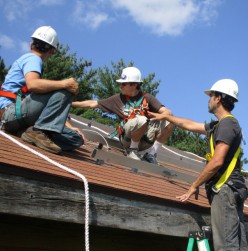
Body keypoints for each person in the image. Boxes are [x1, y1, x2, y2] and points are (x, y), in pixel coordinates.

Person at [150, 79, 248, 251]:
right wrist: (167, 117)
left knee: (226, 248)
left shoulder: (227, 125)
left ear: (218, 98)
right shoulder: (220, 125)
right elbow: (191, 125)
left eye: (211, 96)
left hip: (224, 190)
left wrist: (193, 185)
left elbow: (217, 161)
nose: (208, 100)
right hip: (232, 189)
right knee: (238, 247)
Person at [0, 26, 83, 154]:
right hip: (10, 113)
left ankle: (28, 132)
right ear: (51, 51)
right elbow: (33, 85)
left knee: (75, 139)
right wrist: (65, 83)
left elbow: (47, 107)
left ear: (31, 44)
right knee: (66, 90)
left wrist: (68, 126)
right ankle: (37, 132)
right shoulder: (33, 59)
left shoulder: (30, 62)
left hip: (19, 117)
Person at [72, 66, 174, 164]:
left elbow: (167, 112)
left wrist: (158, 116)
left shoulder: (147, 98)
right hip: (127, 140)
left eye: (124, 84)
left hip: (145, 141)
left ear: (134, 85)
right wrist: (70, 103)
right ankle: (132, 150)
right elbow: (93, 103)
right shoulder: (118, 99)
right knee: (142, 119)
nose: (121, 86)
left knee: (171, 120)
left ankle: (151, 154)